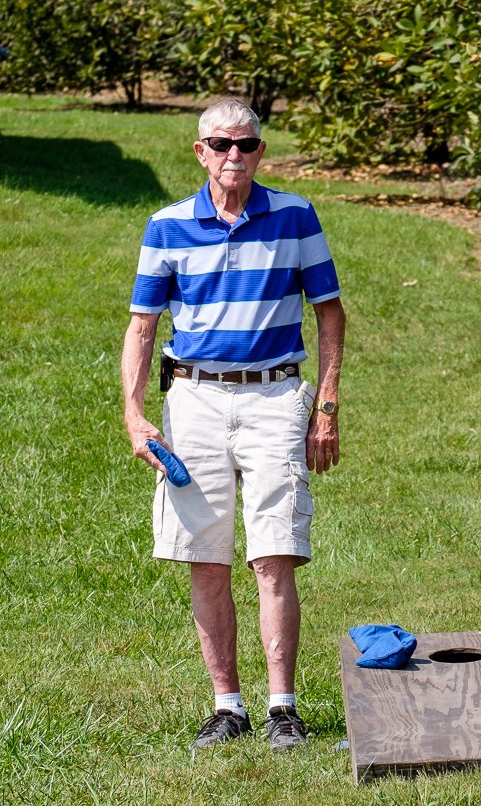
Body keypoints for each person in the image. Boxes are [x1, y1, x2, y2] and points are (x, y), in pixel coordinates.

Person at [121, 99, 346, 752]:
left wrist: (325, 408)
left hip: (276, 397)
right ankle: (228, 707)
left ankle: (283, 708)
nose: (233, 156)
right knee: (205, 556)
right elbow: (142, 328)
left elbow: (330, 316)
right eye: (220, 144)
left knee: (274, 553)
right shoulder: (165, 227)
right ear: (200, 152)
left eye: (246, 145)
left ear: (260, 152)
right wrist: (136, 417)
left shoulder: (296, 217)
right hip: (191, 402)